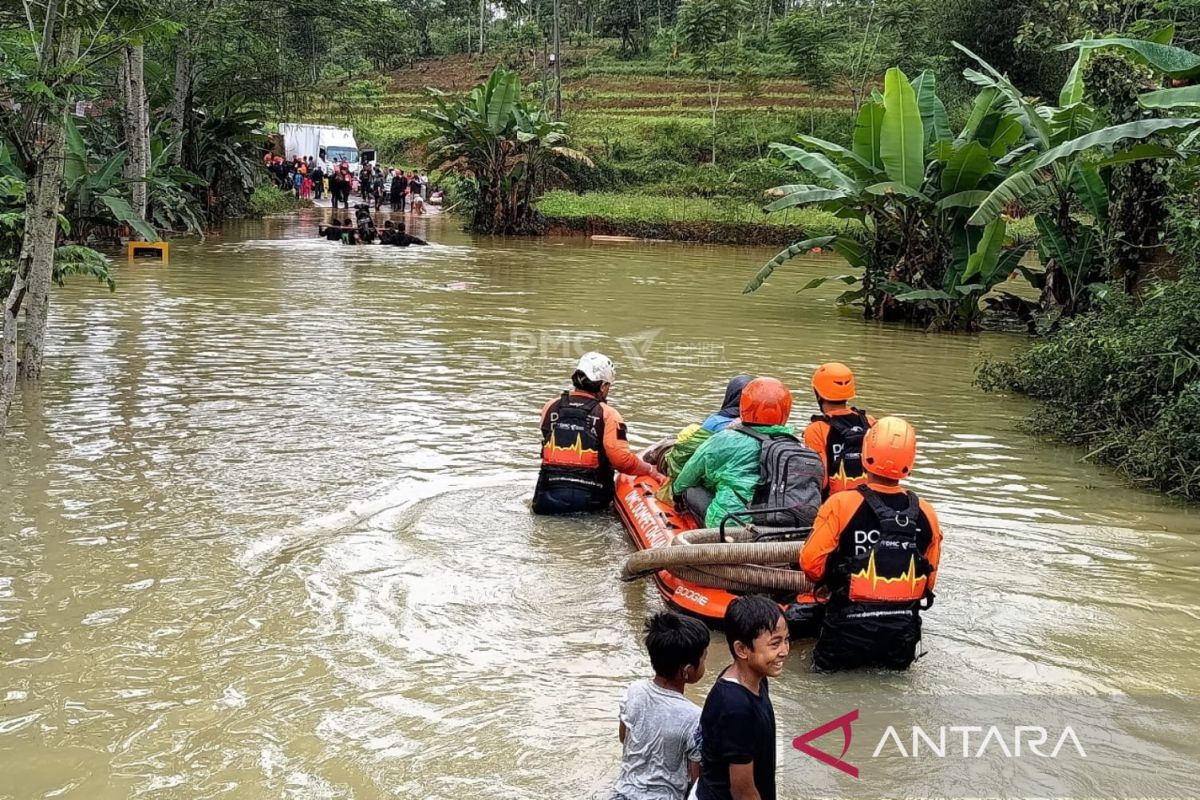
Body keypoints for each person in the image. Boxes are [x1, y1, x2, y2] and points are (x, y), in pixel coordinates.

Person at [799, 417, 943, 672]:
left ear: (865, 453)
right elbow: (928, 582)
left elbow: (811, 564)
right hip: (901, 635)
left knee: (830, 692)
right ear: (910, 462)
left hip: (846, 629)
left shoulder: (841, 504)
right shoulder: (927, 513)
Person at [672, 377, 822, 528]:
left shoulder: (724, 438)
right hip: (781, 523)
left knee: (689, 489)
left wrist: (676, 494)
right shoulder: (795, 444)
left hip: (730, 523)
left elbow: (687, 476)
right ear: (785, 410)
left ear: (745, 406)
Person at [533, 352, 664, 515]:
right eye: (608, 386)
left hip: (547, 499)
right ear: (602, 386)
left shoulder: (550, 407)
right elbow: (622, 461)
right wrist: (650, 470)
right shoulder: (608, 414)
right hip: (590, 502)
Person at [694, 595, 788, 800]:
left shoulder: (758, 678)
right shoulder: (735, 707)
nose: (785, 651)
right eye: (775, 644)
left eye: (786, 640)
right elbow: (742, 792)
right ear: (742, 649)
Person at [611, 612, 710, 800]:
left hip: (622, 793)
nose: (706, 665)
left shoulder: (634, 691)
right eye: (704, 658)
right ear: (687, 671)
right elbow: (698, 780)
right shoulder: (695, 717)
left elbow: (624, 738)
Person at [803, 363, 876, 496]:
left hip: (835, 505)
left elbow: (820, 480)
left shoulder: (816, 430)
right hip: (870, 502)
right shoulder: (869, 422)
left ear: (818, 394)